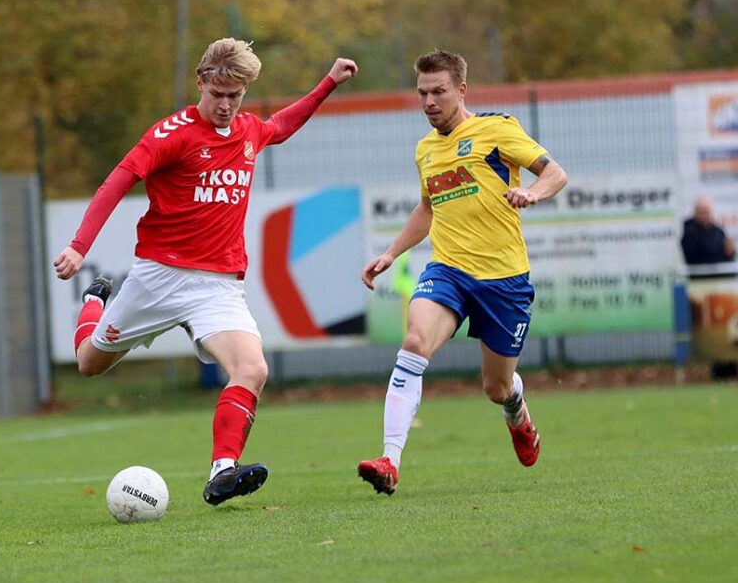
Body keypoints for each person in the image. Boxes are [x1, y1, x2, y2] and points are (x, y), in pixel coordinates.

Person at [53, 38, 358, 505]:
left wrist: (328, 84)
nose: (225, 105)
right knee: (89, 364)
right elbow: (118, 180)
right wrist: (79, 247)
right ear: (201, 82)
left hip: (217, 285)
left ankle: (222, 472)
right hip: (158, 277)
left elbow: (281, 125)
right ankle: (94, 302)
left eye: (235, 97)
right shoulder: (171, 134)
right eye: (218, 95)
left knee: (253, 368)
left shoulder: (248, 130)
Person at [356, 49, 568, 495]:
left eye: (439, 91)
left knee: (495, 387)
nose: (429, 101)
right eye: (422, 93)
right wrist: (392, 253)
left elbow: (556, 174)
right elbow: (428, 208)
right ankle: (389, 461)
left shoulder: (497, 130)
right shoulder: (426, 149)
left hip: (504, 279)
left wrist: (531, 193)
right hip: (448, 271)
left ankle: (516, 410)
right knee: (414, 343)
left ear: (461, 90)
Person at [680, 195, 738, 381]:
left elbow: (725, 258)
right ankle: (717, 368)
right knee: (710, 330)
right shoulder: (689, 232)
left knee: (726, 328)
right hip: (704, 290)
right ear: (695, 212)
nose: (705, 215)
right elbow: (694, 257)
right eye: (701, 211)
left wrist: (731, 253)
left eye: (707, 211)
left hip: (722, 288)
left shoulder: (718, 231)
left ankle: (730, 366)